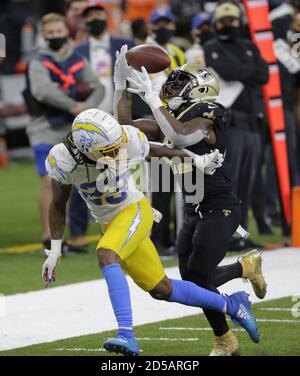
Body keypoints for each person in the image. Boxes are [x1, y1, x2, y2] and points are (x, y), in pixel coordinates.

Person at [42, 105, 259, 356]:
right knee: (162, 289)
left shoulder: (125, 139)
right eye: (109, 150)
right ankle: (231, 305)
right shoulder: (61, 159)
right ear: (85, 149)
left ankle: (126, 334)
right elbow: (58, 203)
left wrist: (197, 160)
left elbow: (160, 149)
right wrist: (55, 251)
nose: (118, 151)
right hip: (110, 224)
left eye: (117, 145)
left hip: (134, 211)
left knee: (106, 253)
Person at [117, 45, 267, 355]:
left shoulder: (209, 111)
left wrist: (153, 102)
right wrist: (120, 88)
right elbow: (126, 129)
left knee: (199, 275)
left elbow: (184, 136)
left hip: (221, 206)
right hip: (194, 206)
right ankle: (226, 335)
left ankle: (240, 284)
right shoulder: (173, 116)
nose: (169, 89)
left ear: (199, 88)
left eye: (177, 84)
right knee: (194, 282)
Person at [24, 13, 104, 250]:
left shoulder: (77, 58)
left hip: (72, 129)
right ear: (44, 35)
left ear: (66, 32)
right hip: (44, 127)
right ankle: (49, 237)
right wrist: (73, 105)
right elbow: (42, 91)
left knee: (72, 182)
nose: (56, 36)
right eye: (51, 33)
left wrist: (86, 107)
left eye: (59, 31)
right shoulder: (38, 60)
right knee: (49, 180)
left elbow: (98, 86)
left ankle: (66, 236)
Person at [203, 2, 269, 249]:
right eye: (223, 20)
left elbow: (264, 74)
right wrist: (248, 67)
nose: (228, 25)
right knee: (231, 180)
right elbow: (229, 72)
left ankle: (243, 234)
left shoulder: (249, 45)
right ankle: (228, 234)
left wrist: (244, 69)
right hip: (231, 122)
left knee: (248, 183)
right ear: (215, 23)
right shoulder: (212, 46)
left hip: (252, 123)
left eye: (232, 20)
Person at [70, 2, 134, 247]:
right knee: (81, 174)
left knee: (123, 174)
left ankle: (122, 227)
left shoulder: (123, 45)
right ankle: (78, 233)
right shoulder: (77, 50)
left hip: (117, 118)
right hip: (87, 123)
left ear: (106, 18)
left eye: (98, 14)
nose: (94, 19)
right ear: (84, 22)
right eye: (89, 16)